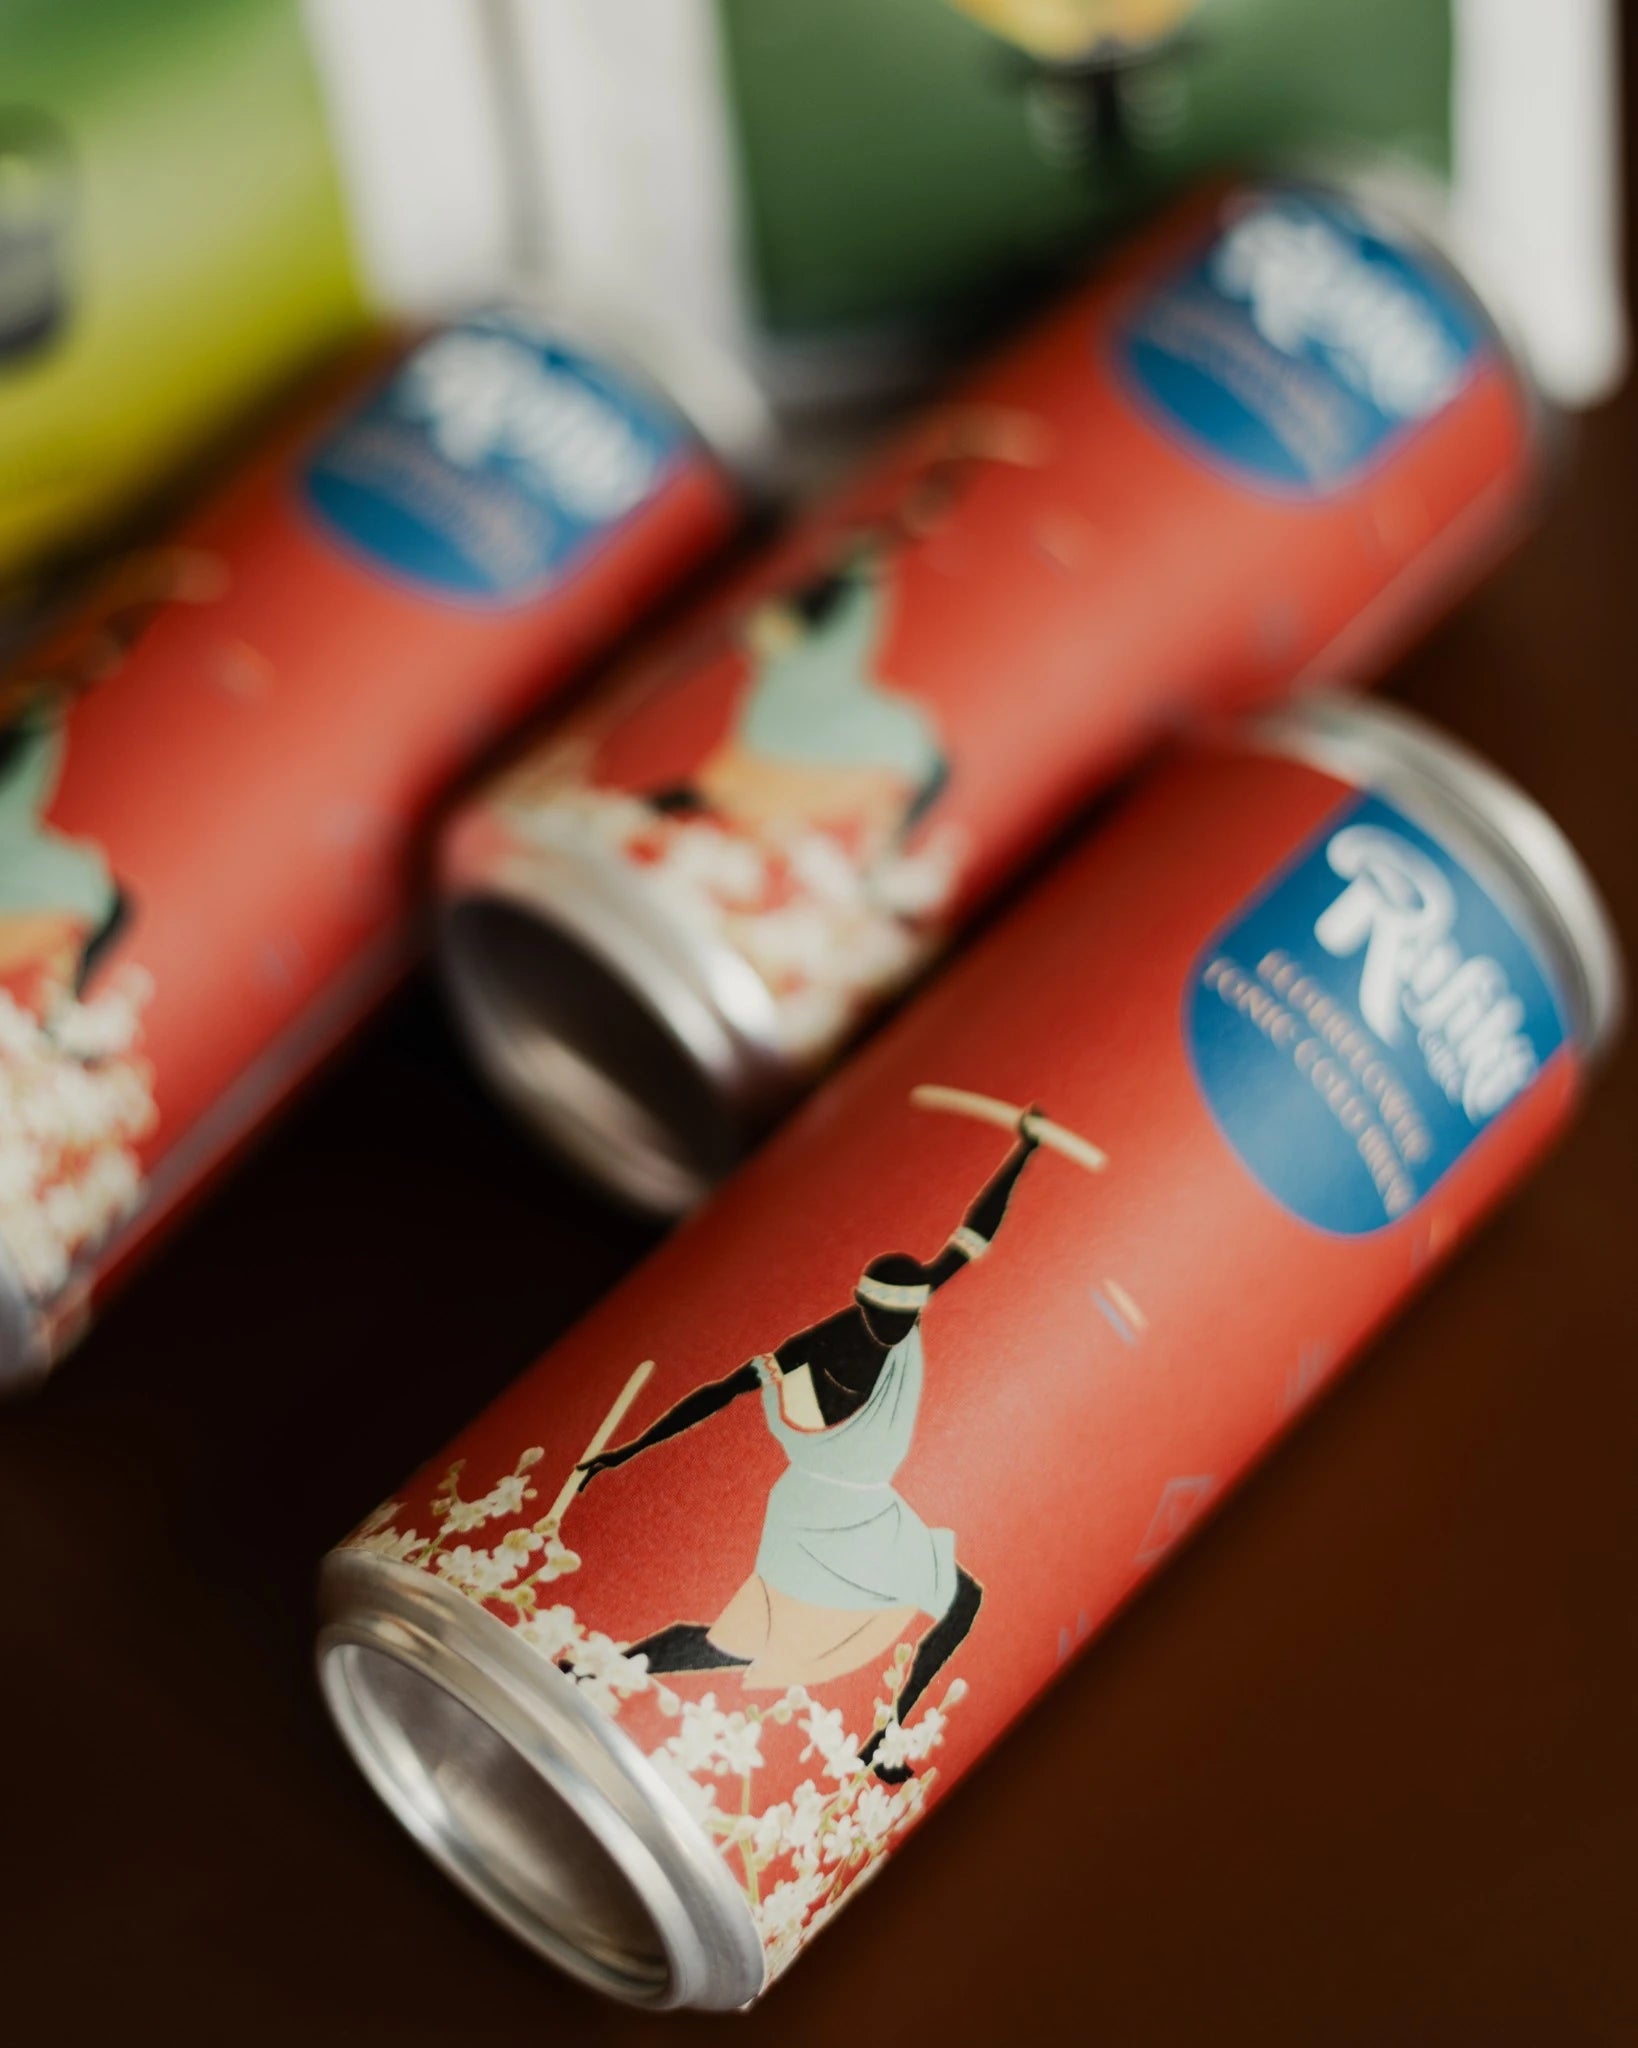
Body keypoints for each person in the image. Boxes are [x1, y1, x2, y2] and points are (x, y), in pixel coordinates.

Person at [576, 1110, 1047, 1780]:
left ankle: (886, 1737)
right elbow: (718, 1392)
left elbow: (972, 1236)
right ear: (865, 1305)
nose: (899, 1328)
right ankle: (601, 1667)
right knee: (738, 1643)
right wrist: (628, 1451)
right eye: (888, 1316)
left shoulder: (910, 1308)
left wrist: (1023, 1151)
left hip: (874, 1511)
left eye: (908, 1316)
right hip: (814, 1512)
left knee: (959, 1602)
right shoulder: (818, 1346)